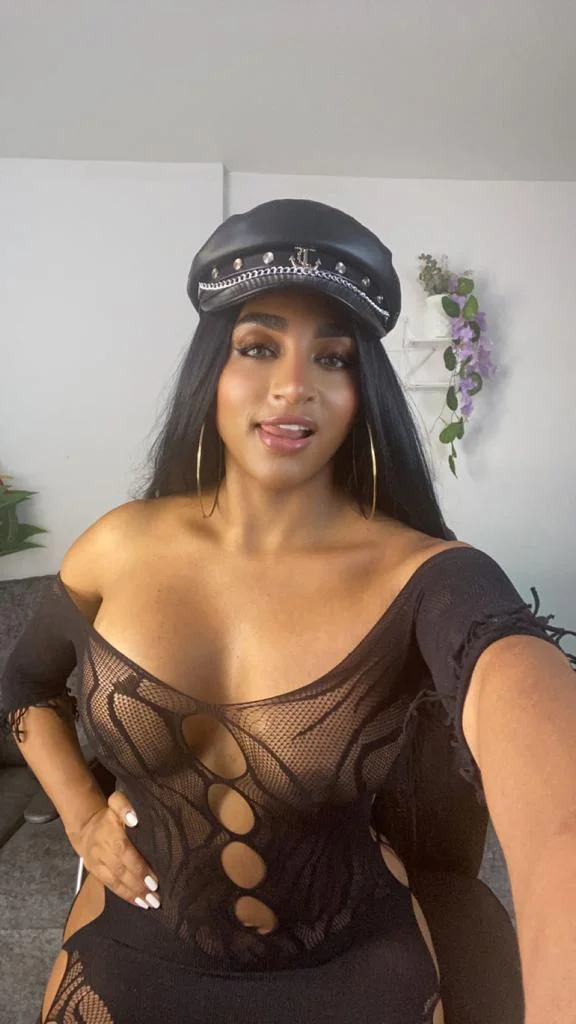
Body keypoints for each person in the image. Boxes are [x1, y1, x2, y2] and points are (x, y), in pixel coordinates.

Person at [2, 199, 575, 1024]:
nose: (294, 385)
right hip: (130, 960)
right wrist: (83, 813)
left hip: (358, 970)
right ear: (213, 371)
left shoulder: (428, 576)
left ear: (361, 394)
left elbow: (551, 794)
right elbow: (24, 688)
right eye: (259, 346)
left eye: (333, 358)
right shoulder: (117, 547)